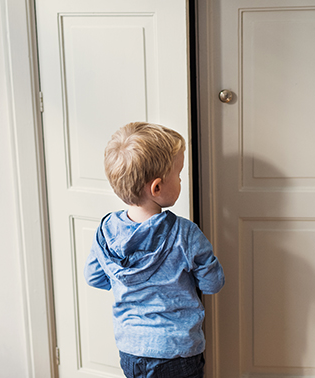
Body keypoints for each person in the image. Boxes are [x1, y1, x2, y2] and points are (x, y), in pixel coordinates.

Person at [84, 122, 225, 378]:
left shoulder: (105, 233)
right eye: (179, 175)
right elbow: (212, 283)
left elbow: (94, 277)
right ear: (157, 188)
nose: (181, 180)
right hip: (178, 350)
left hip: (131, 350)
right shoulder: (185, 234)